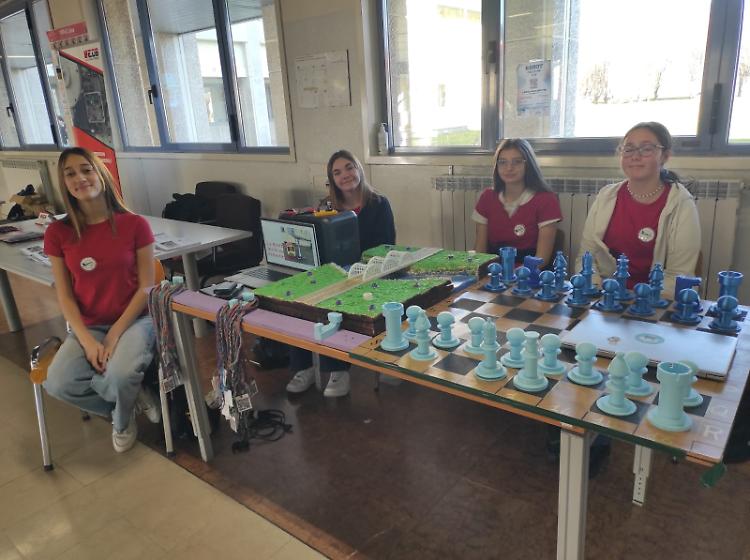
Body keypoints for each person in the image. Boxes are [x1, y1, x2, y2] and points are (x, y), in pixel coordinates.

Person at [42, 147, 160, 454]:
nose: (80, 178)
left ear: (101, 174)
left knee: (120, 375)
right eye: (70, 174)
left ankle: (121, 421)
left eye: (86, 169)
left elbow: (147, 287)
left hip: (136, 320)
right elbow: (65, 295)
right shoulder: (57, 233)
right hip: (90, 324)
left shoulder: (135, 224)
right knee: (58, 383)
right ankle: (129, 399)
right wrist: (86, 339)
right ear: (64, 183)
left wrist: (113, 335)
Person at [286, 149, 396, 397]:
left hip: (369, 273)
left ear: (359, 169)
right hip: (334, 272)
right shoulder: (326, 207)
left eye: (349, 167)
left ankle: (337, 370)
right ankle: (302, 367)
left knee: (330, 305)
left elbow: (387, 246)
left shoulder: (379, 203)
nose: (345, 175)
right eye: (337, 172)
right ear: (332, 179)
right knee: (299, 301)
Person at [576, 121, 700, 294]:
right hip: (606, 297)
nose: (635, 156)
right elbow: (585, 258)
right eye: (629, 149)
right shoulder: (606, 196)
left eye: (646, 149)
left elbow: (679, 275)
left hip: (655, 301)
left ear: (665, 156)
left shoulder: (681, 203)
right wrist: (598, 290)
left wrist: (638, 299)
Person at [473, 138, 562, 267]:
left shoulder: (546, 200)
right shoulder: (487, 197)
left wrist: (512, 275)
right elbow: (480, 253)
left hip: (530, 273)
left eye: (517, 162)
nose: (509, 168)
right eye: (503, 162)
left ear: (528, 164)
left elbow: (541, 260)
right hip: (494, 272)